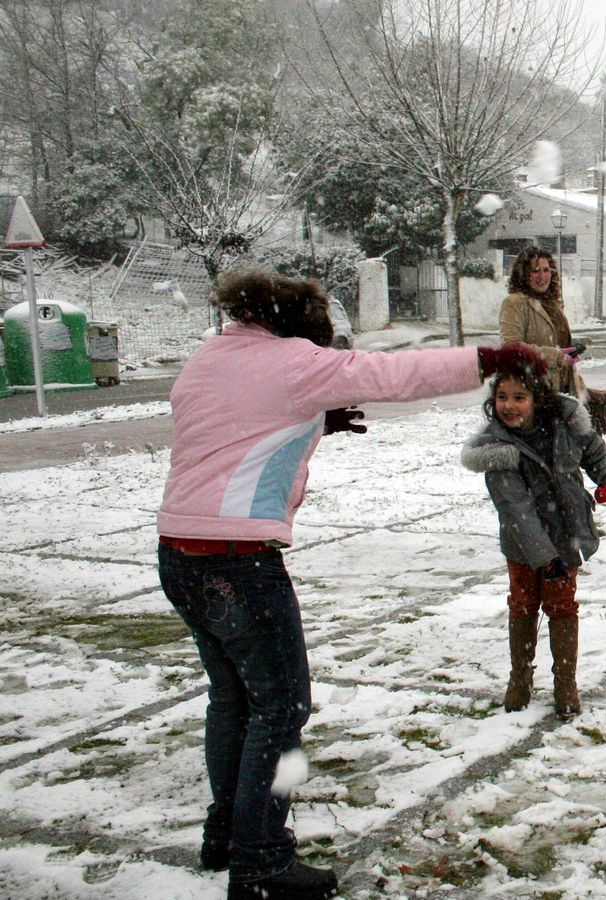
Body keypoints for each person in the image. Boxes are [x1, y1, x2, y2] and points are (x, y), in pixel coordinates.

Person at [157, 267, 545, 899]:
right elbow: (391, 374)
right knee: (280, 706)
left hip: (179, 551)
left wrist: (315, 421)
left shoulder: (209, 357)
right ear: (298, 324)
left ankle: (227, 833)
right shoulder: (293, 360)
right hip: (237, 559)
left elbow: (230, 424)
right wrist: (490, 359)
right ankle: (261, 864)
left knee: (233, 699)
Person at [460, 361, 606, 718]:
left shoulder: (564, 423)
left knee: (562, 606)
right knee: (523, 603)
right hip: (523, 545)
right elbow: (516, 509)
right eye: (502, 397)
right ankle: (520, 677)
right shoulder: (497, 449)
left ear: (538, 399)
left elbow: (593, 449)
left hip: (568, 532)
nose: (509, 405)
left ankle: (565, 682)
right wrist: (545, 559)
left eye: (519, 397)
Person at [498, 246, 606, 435]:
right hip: (533, 396)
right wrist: (555, 356)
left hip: (562, 395)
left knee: (582, 448)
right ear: (523, 274)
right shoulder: (515, 303)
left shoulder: (552, 304)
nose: (542, 276)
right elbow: (511, 348)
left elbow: (564, 359)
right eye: (535, 270)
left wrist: (585, 392)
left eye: (546, 270)